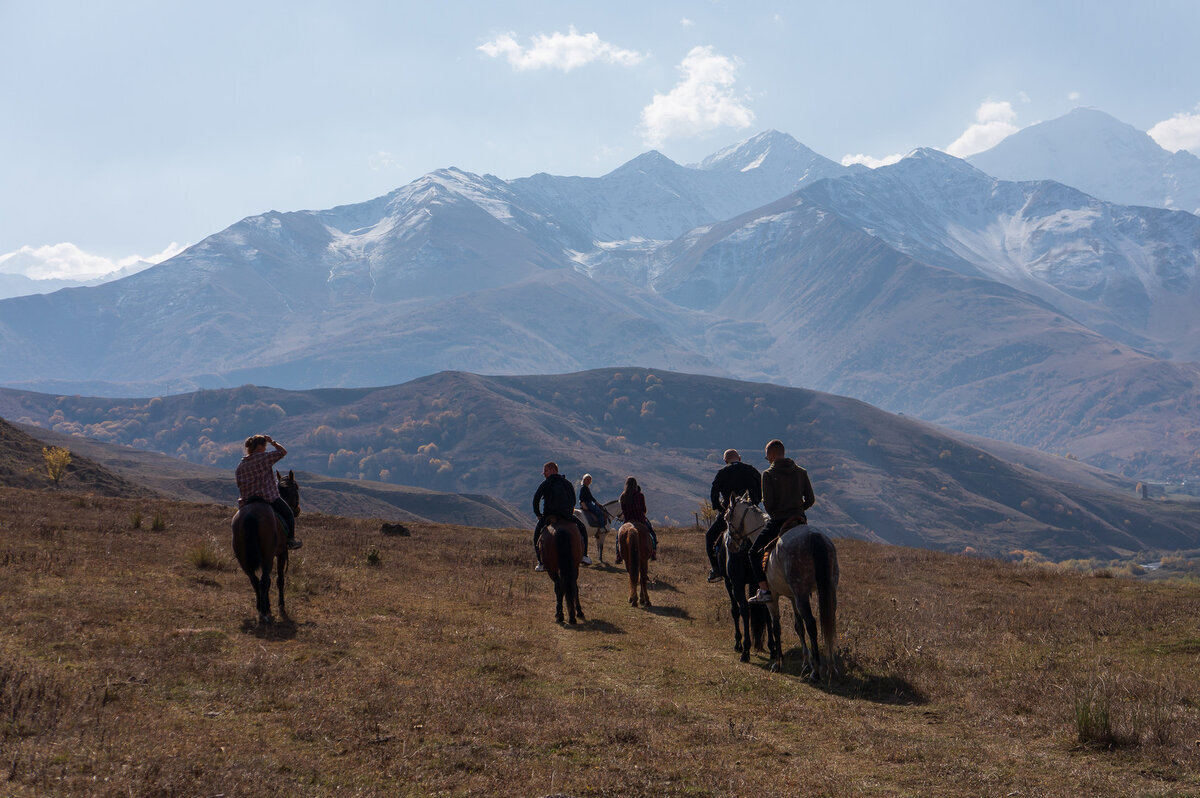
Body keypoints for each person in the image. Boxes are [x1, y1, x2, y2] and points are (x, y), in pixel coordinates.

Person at [748, 439, 814, 603]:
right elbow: (811, 499)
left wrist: (781, 513)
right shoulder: (801, 472)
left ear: (771, 454)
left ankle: (764, 591)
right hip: (799, 520)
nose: (767, 460)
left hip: (778, 521)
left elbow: (768, 506)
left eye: (767, 457)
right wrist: (798, 511)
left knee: (753, 552)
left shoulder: (768, 474)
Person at [705, 448, 762, 582]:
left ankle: (716, 569)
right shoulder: (751, 470)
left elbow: (714, 493)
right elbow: (762, 489)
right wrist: (755, 503)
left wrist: (720, 509)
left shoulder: (722, 473)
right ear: (740, 458)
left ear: (725, 461)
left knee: (710, 537)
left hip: (729, 514)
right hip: (751, 513)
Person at [235, 434, 301, 550]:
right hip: (268, 497)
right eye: (265, 446)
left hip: (246, 501)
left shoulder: (241, 465)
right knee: (289, 514)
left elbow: (239, 484)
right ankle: (291, 540)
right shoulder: (264, 458)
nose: (265, 449)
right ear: (260, 446)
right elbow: (283, 452)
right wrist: (273, 442)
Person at [532, 461, 592, 570]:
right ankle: (584, 555)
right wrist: (568, 511)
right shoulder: (567, 483)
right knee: (582, 529)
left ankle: (541, 563)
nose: (544, 473)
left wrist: (538, 514)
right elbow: (573, 500)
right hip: (566, 516)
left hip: (548, 516)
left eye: (545, 471)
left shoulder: (545, 484)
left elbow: (536, 500)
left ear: (551, 470)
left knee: (536, 535)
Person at [618, 476, 657, 562]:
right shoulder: (640, 495)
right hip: (640, 519)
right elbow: (644, 509)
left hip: (627, 520)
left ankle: (618, 554)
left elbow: (623, 510)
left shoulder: (623, 496)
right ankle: (653, 551)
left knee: (618, 537)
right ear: (635, 485)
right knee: (652, 533)